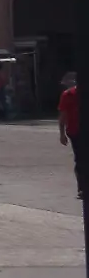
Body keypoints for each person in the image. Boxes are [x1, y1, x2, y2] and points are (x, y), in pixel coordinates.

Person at [62, 72, 83, 200]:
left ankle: (82, 188)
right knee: (80, 160)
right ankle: (82, 188)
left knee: (80, 160)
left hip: (74, 130)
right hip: (75, 131)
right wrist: (61, 132)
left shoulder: (68, 94)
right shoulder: (68, 94)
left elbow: (62, 114)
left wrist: (61, 133)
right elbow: (63, 114)